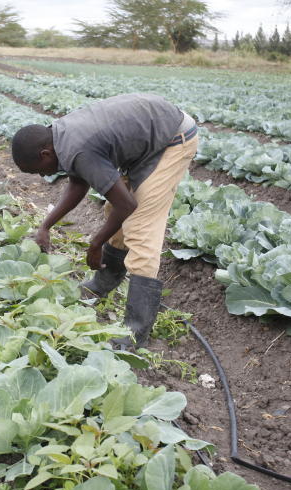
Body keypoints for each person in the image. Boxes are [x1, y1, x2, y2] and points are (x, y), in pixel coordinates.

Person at [10, 93, 198, 349]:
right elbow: (79, 183)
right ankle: (102, 284)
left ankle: (134, 333)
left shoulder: (79, 149)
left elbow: (127, 205)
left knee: (141, 229)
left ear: (45, 154)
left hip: (173, 139)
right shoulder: (60, 138)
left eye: (39, 170)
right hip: (149, 140)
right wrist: (45, 225)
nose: (43, 175)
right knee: (115, 213)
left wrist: (96, 243)